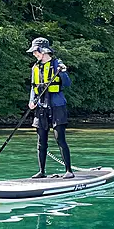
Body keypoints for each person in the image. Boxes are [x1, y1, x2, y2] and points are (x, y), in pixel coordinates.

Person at [27, 37, 74, 179]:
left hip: (57, 106)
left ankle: (68, 171)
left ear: (43, 51)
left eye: (35, 51)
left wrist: (62, 72)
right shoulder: (35, 68)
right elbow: (33, 87)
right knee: (41, 141)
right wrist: (31, 101)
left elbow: (67, 83)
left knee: (60, 138)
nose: (34, 54)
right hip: (41, 106)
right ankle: (41, 171)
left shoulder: (57, 64)